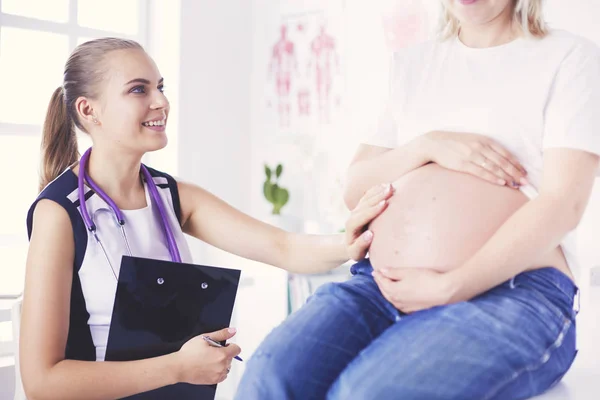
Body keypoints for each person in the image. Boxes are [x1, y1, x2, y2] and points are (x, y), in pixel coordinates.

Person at [235, 0, 600, 399]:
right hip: (382, 285)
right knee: (268, 382)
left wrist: (452, 286)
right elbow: (355, 186)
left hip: (514, 292)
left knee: (371, 393)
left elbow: (564, 204)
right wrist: (428, 146)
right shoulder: (414, 65)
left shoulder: (568, 58)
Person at [19, 37, 389, 400]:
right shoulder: (59, 214)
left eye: (160, 87)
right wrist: (179, 367)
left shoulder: (173, 196)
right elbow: (43, 383)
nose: (161, 101)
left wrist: (350, 240)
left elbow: (284, 247)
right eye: (138, 90)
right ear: (88, 110)